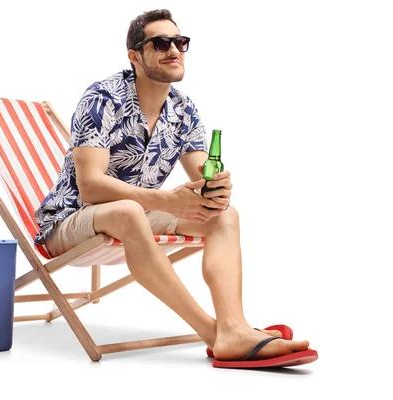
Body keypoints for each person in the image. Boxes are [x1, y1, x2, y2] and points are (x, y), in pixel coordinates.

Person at [34, 9, 313, 365]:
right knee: (129, 210)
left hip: (134, 215)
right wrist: (166, 200)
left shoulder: (183, 110)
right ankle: (215, 334)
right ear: (135, 56)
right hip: (68, 222)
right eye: (161, 43)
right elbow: (90, 187)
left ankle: (234, 325)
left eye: (180, 42)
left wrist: (216, 191)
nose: (174, 50)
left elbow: (202, 177)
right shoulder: (102, 98)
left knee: (225, 216)